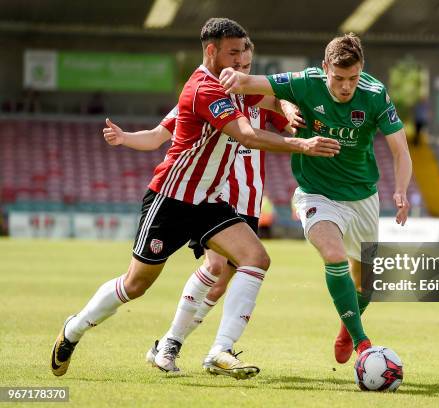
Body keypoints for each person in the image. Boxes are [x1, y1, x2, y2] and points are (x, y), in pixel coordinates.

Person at [51, 17, 340, 379]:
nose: (240, 64)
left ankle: (220, 348)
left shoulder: (235, 86)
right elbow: (246, 136)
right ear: (211, 51)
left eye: (244, 57)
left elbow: (270, 95)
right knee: (135, 285)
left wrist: (283, 105)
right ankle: (74, 329)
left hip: (209, 202)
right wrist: (303, 145)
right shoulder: (203, 89)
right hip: (170, 200)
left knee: (256, 258)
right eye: (233, 55)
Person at [102, 39, 295, 374]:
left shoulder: (257, 100)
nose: (242, 72)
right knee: (216, 267)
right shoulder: (205, 97)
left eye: (248, 67)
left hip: (249, 200)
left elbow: (285, 112)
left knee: (224, 278)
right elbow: (157, 135)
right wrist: (125, 138)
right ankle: (184, 347)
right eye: (237, 64)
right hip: (215, 196)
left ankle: (182, 346)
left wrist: (291, 110)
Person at [220, 33, 412, 363]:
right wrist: (236, 78)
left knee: (366, 280)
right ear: (324, 68)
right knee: (334, 255)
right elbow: (254, 83)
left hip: (363, 196)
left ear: (361, 70)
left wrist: (401, 190)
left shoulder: (375, 94)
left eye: (352, 78)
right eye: (338, 78)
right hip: (316, 193)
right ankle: (362, 343)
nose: (345, 86)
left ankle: (347, 326)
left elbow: (401, 150)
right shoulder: (305, 82)